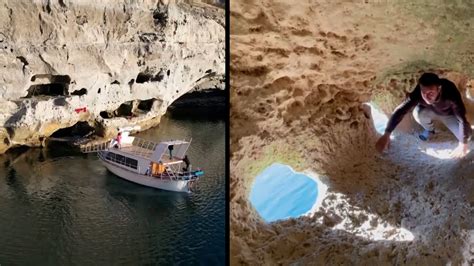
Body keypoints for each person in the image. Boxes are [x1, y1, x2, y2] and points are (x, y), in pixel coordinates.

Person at [375, 72, 472, 158]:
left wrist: (462, 144)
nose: (427, 96)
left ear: (439, 88)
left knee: (468, 136)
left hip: (447, 115)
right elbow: (401, 110)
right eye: (424, 92)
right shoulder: (418, 92)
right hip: (427, 111)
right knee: (418, 113)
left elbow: (461, 119)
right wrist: (387, 134)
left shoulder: (450, 92)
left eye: (431, 92)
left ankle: (453, 133)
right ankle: (430, 130)